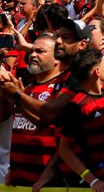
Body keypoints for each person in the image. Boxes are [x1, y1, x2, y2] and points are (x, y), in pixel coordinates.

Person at [57, 48, 104, 190]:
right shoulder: (76, 107)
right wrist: (92, 180)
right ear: (97, 72)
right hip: (102, 184)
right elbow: (64, 150)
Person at [0, 34, 64, 186]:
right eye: (32, 51)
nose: (33, 55)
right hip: (18, 181)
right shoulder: (26, 89)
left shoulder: (63, 89)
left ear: (57, 59)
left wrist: (49, 172)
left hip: (47, 183)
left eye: (40, 51)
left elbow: (62, 135)